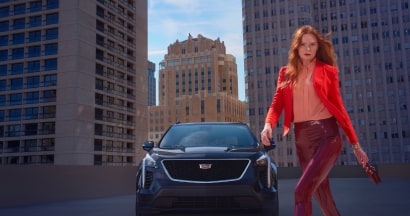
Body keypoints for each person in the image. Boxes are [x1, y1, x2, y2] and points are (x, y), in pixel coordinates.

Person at [260, 25, 369, 216]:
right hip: (302, 140)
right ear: (297, 47)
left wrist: (356, 145)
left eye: (312, 44)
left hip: (327, 136)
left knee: (301, 191)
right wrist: (268, 125)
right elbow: (276, 104)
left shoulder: (328, 71)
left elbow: (340, 109)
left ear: (318, 47)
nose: (308, 49)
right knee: (323, 197)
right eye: (303, 45)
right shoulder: (286, 73)